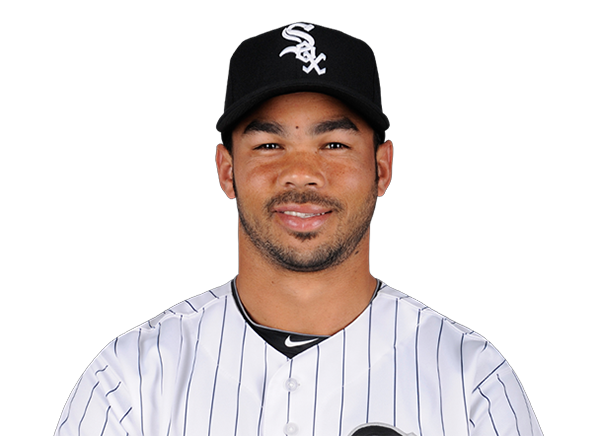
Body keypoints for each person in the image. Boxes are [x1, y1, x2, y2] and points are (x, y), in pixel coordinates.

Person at [56, 23, 543, 436]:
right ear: (227, 171)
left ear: (382, 169)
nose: (301, 173)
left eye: (333, 144)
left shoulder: (473, 381)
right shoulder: (131, 379)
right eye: (269, 145)